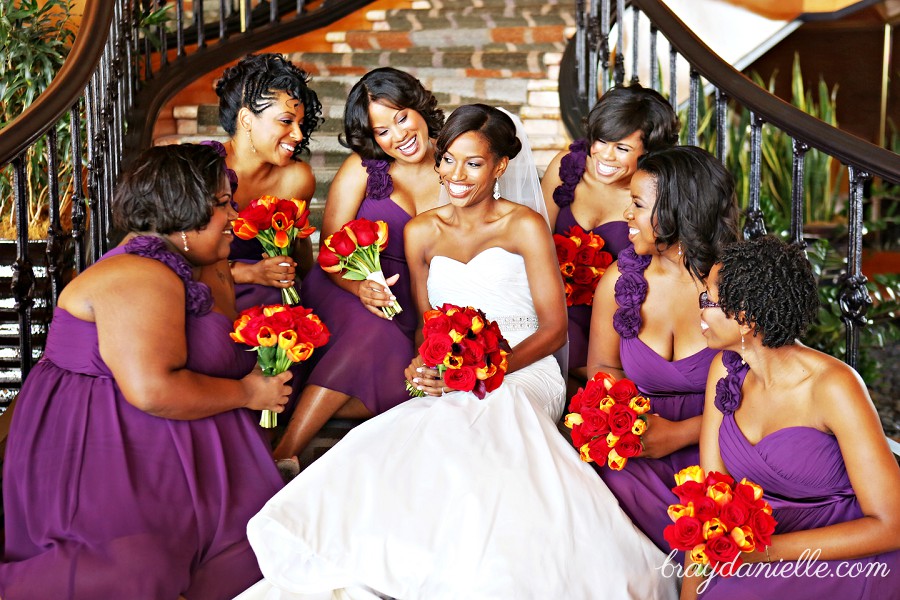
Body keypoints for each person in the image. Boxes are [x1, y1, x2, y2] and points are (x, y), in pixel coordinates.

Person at [235, 105, 677, 600]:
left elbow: (553, 331)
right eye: (448, 160)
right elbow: (429, 326)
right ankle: (427, 561)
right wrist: (426, 364)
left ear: (500, 168)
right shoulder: (420, 230)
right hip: (456, 374)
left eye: (473, 164)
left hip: (526, 366)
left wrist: (488, 369)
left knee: (495, 409)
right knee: (428, 426)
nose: (455, 175)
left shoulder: (525, 225)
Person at [0, 144, 292, 599]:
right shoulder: (139, 275)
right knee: (140, 570)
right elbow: (153, 390)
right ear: (184, 211)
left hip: (160, 438)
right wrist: (249, 393)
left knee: (267, 549)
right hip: (98, 448)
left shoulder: (201, 262)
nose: (235, 215)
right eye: (221, 204)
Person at [687, 235, 900, 599]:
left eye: (709, 299)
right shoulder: (724, 373)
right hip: (752, 553)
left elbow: (891, 524)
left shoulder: (834, 387)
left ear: (745, 318)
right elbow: (712, 499)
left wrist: (763, 554)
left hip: (845, 558)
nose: (700, 311)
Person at [271, 68, 445, 464]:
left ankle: (310, 399)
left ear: (419, 107)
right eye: (382, 131)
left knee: (415, 383)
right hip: (347, 287)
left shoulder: (457, 165)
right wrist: (360, 288)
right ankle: (287, 452)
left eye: (401, 117)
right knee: (372, 333)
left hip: (418, 299)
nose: (398, 136)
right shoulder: (363, 168)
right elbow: (330, 249)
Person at [586, 145, 740, 554]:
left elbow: (767, 387)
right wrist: (622, 422)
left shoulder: (736, 288)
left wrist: (678, 435)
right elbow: (603, 365)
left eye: (637, 204)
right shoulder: (620, 280)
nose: (627, 217)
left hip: (724, 444)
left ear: (676, 212)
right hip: (640, 441)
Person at [541, 83, 679, 388]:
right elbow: (535, 244)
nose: (606, 156)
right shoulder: (567, 168)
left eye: (623, 148)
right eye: (602, 141)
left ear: (648, 151)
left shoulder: (656, 195)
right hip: (556, 306)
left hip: (623, 316)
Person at [208, 52, 323, 311]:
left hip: (269, 297)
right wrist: (249, 273)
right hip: (208, 290)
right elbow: (178, 256)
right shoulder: (203, 168)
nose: (297, 134)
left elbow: (300, 265)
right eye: (286, 121)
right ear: (247, 119)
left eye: (301, 124)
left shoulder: (297, 179)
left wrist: (297, 236)